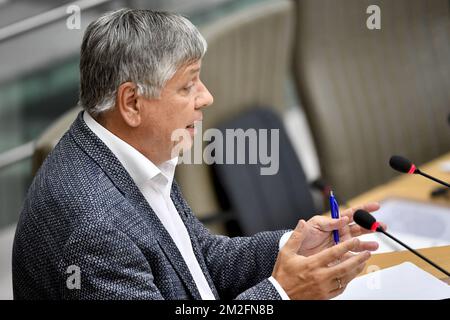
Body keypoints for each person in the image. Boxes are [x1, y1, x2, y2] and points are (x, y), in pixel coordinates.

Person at [12, 9, 383, 300]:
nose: (206, 97)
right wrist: (283, 292)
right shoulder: (95, 228)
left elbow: (200, 261)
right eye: (188, 85)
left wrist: (293, 245)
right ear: (132, 103)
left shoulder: (136, 152)